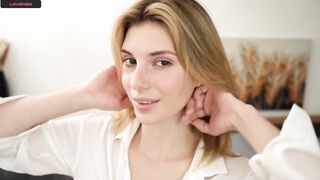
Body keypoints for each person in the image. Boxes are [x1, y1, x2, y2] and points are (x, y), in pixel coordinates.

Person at [0, 0, 319, 179]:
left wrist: (239, 112)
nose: (137, 82)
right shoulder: (91, 139)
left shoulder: (236, 174)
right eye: (129, 61)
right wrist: (81, 95)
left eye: (162, 62)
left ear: (199, 71)